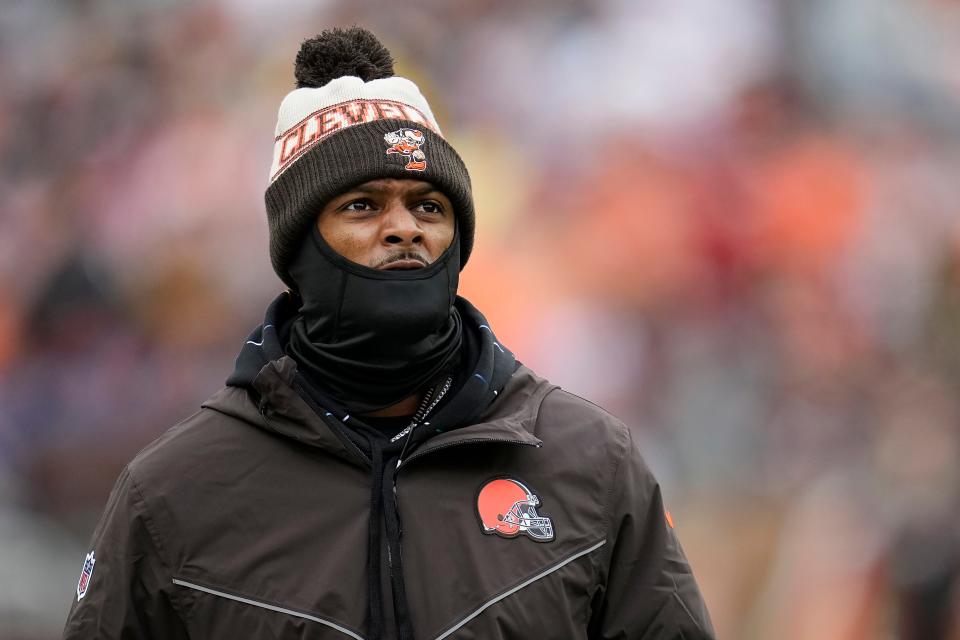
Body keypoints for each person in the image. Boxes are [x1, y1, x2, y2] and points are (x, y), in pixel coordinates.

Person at [62, 27, 715, 640]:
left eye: (428, 206)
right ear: (298, 249)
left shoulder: (589, 462)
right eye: (362, 206)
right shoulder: (175, 492)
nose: (405, 228)